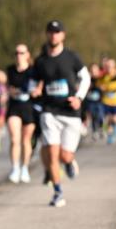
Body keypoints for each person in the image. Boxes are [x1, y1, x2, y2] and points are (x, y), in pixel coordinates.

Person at [31, 20, 90, 208]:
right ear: (47, 35)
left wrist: (79, 97)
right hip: (49, 112)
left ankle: (70, 162)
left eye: (57, 32)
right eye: (50, 32)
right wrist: (35, 90)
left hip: (70, 112)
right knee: (52, 154)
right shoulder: (40, 61)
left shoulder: (72, 57)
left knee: (65, 156)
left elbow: (86, 77)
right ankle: (58, 192)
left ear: (63, 35)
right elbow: (33, 82)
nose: (53, 35)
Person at [5, 44, 36, 183]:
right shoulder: (10, 70)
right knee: (14, 139)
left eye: (22, 53)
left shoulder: (33, 71)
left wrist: (36, 90)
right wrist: (10, 90)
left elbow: (37, 86)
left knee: (26, 140)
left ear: (27, 55)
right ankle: (15, 168)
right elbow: (7, 87)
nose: (19, 55)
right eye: (16, 53)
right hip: (14, 106)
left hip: (28, 106)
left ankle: (25, 168)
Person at [98, 58, 116, 144]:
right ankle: (109, 136)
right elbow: (99, 84)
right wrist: (102, 87)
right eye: (107, 66)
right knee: (107, 119)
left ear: (114, 66)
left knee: (115, 119)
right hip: (106, 101)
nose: (109, 67)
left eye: (111, 66)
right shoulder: (104, 76)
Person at [83, 63, 105, 140]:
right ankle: (94, 131)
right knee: (93, 116)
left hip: (99, 101)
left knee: (100, 115)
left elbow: (105, 88)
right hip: (91, 101)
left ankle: (101, 128)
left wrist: (102, 88)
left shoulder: (101, 79)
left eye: (95, 70)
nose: (94, 72)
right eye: (92, 70)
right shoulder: (88, 79)